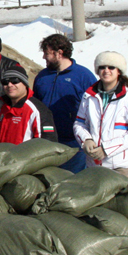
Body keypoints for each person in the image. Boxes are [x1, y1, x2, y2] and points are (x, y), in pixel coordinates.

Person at [74, 51, 128, 186]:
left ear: (119, 71)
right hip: (95, 167)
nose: (106, 71)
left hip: (124, 168)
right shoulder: (88, 96)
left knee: (125, 207)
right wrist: (86, 140)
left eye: (111, 67)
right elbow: (79, 123)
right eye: (102, 67)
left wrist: (106, 149)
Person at [33, 33, 97, 172]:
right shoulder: (42, 77)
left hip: (73, 143)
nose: (44, 57)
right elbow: (35, 106)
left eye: (47, 53)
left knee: (73, 182)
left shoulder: (83, 76)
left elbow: (96, 109)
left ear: (59, 53)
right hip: (47, 140)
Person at [0, 65, 57, 145]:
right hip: (3, 156)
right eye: (5, 82)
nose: (9, 85)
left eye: (15, 81)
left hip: (24, 157)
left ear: (24, 83)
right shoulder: (4, 107)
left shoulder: (37, 110)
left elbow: (48, 142)